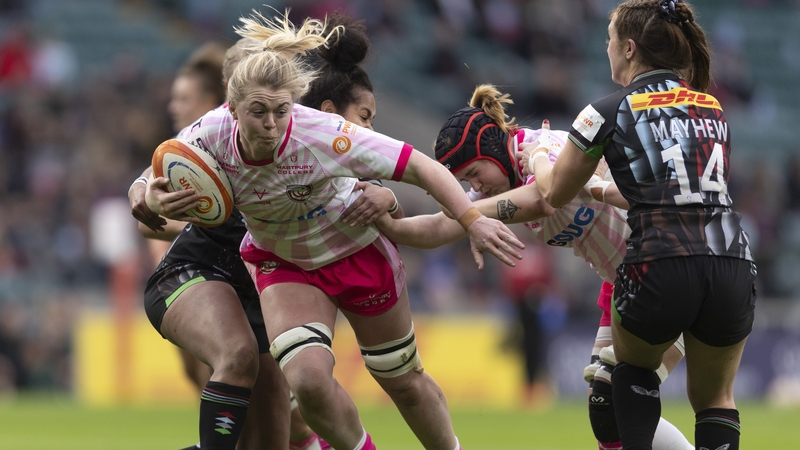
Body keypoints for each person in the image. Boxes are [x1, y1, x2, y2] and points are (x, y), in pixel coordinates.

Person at [140, 9, 524, 450]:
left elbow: (422, 167)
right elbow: (154, 173)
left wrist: (472, 220)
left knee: (401, 380)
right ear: (232, 105)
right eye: (258, 112)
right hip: (284, 263)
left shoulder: (324, 133)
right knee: (308, 384)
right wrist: (147, 197)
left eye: (281, 111)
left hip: (355, 250)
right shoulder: (210, 131)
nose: (271, 125)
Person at [375, 83, 693, 450]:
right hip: (623, 282)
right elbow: (438, 227)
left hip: (665, 266)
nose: (475, 185)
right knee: (607, 414)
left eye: (475, 173)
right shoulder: (497, 185)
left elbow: (546, 199)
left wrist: (469, 215)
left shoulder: (543, 148)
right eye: (465, 181)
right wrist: (390, 224)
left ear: (494, 150)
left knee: (616, 403)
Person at [522, 1, 756, 449]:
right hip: (731, 261)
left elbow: (552, 194)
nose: (606, 48)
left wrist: (536, 155)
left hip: (660, 263)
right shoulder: (711, 105)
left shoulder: (604, 111)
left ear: (629, 48)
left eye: (609, 40)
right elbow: (680, 190)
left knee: (629, 372)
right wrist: (603, 191)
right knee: (715, 399)